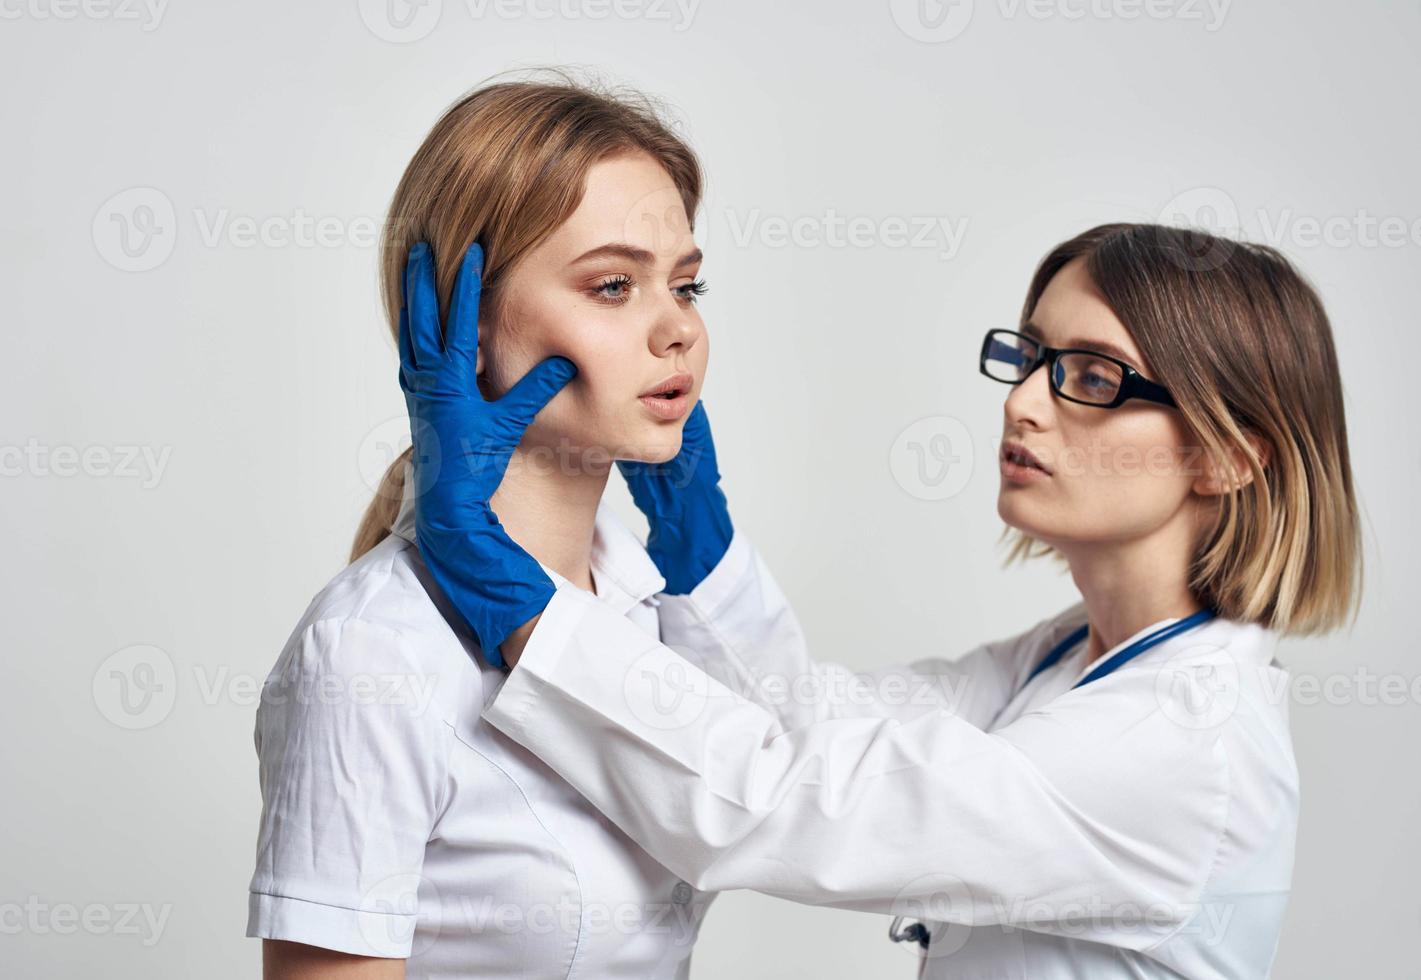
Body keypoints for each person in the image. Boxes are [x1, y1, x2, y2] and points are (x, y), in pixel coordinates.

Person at [407, 222, 1362, 978]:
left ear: (1230, 453)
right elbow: (812, 728)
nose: (1022, 401)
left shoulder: (1180, 748)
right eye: (1029, 356)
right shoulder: (1070, 659)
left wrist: (509, 592)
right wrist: (701, 547)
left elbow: (782, 806)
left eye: (1090, 377)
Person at [246, 78, 721, 979]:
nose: (679, 332)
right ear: (458, 327)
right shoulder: (370, 653)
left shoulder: (649, 611)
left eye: (690, 285)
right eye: (614, 285)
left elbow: (802, 793)